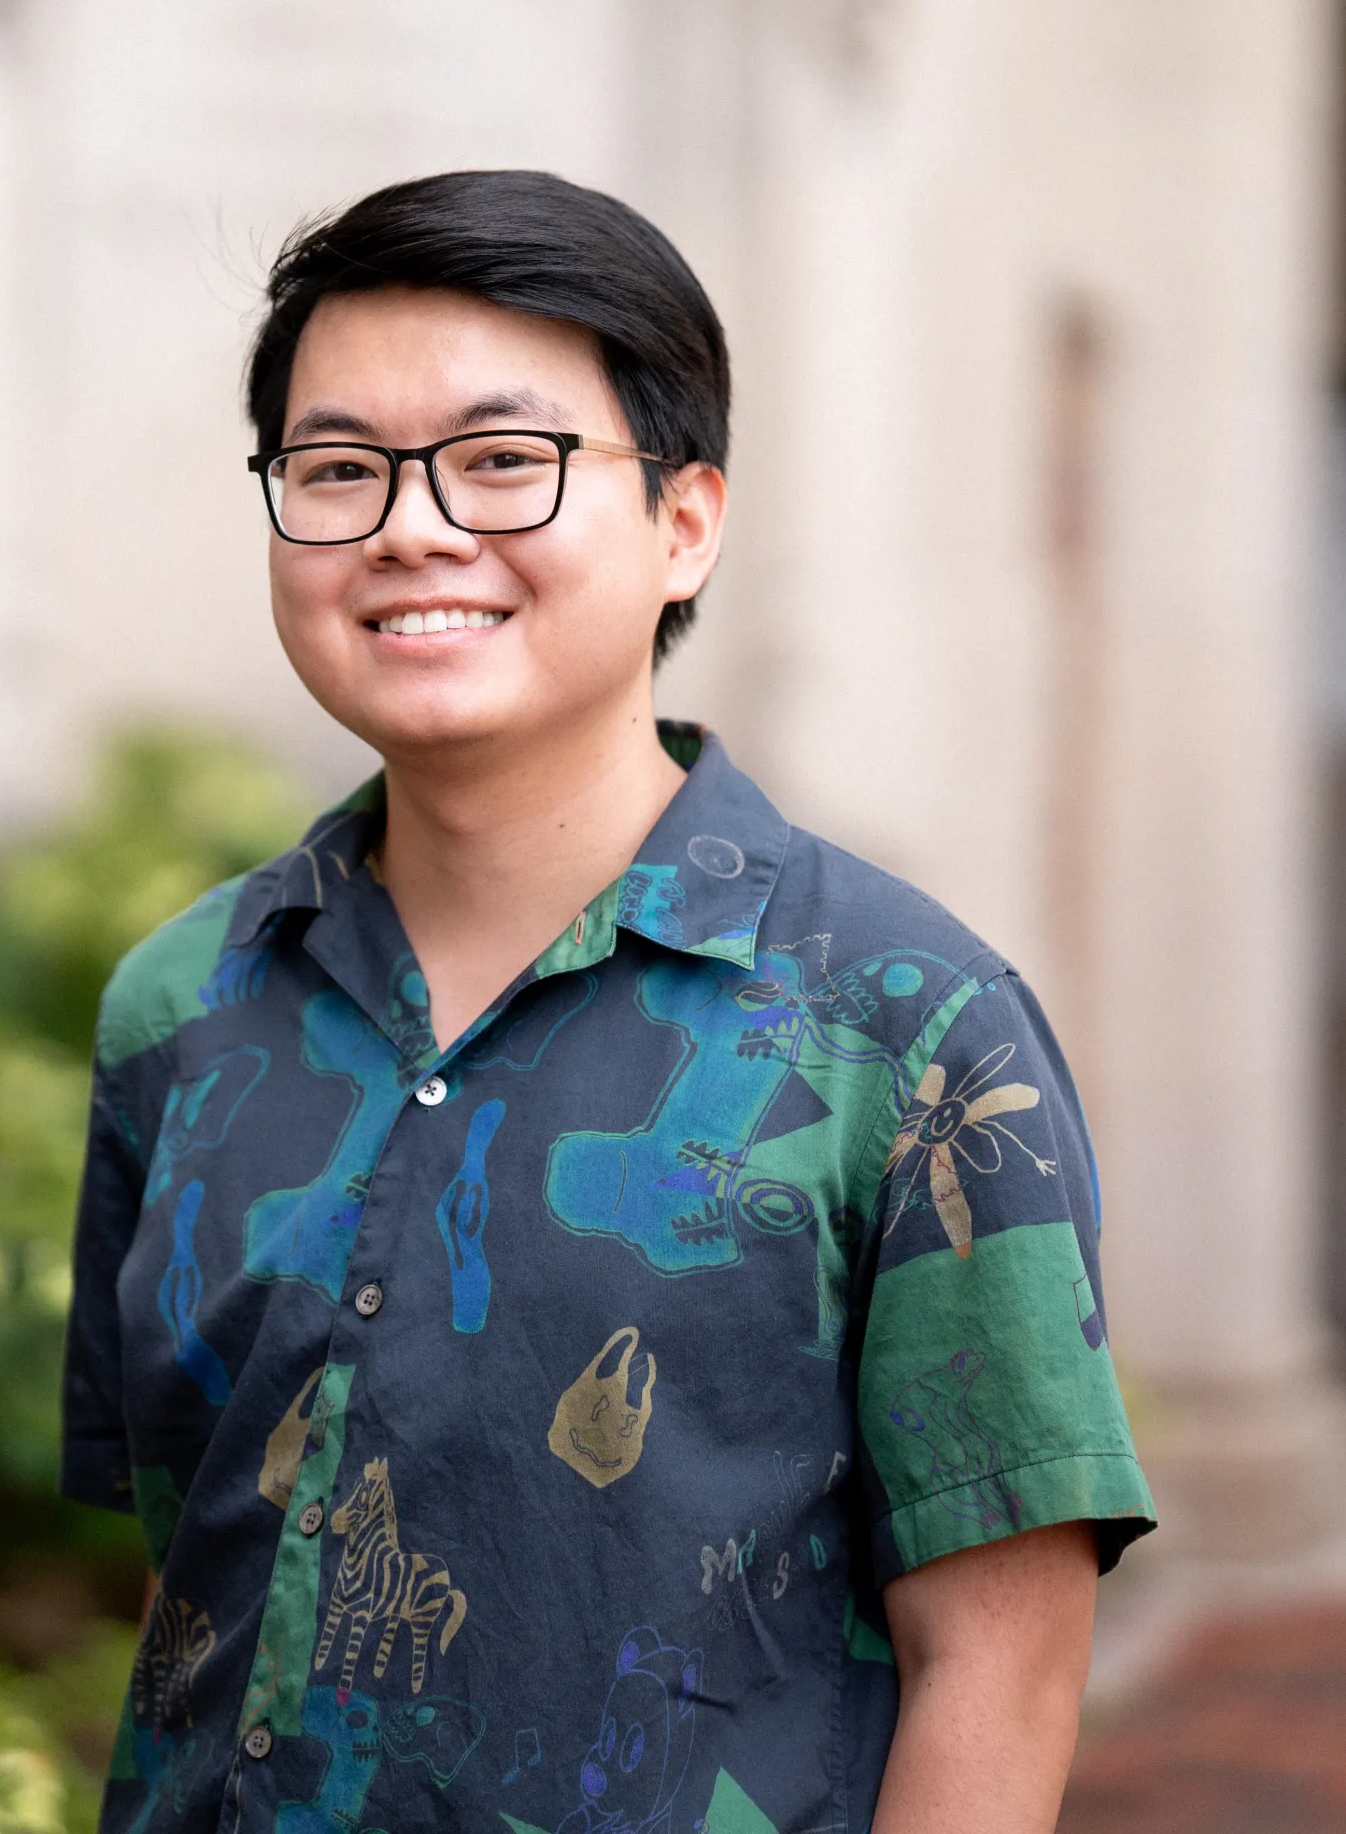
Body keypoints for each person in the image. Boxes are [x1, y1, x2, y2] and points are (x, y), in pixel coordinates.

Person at [60, 169, 1153, 1834]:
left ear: (684, 521)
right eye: (338, 469)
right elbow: (200, 1568)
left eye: (504, 460)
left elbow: (998, 1671)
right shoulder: (184, 1005)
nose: (413, 529)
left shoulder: (911, 1032)